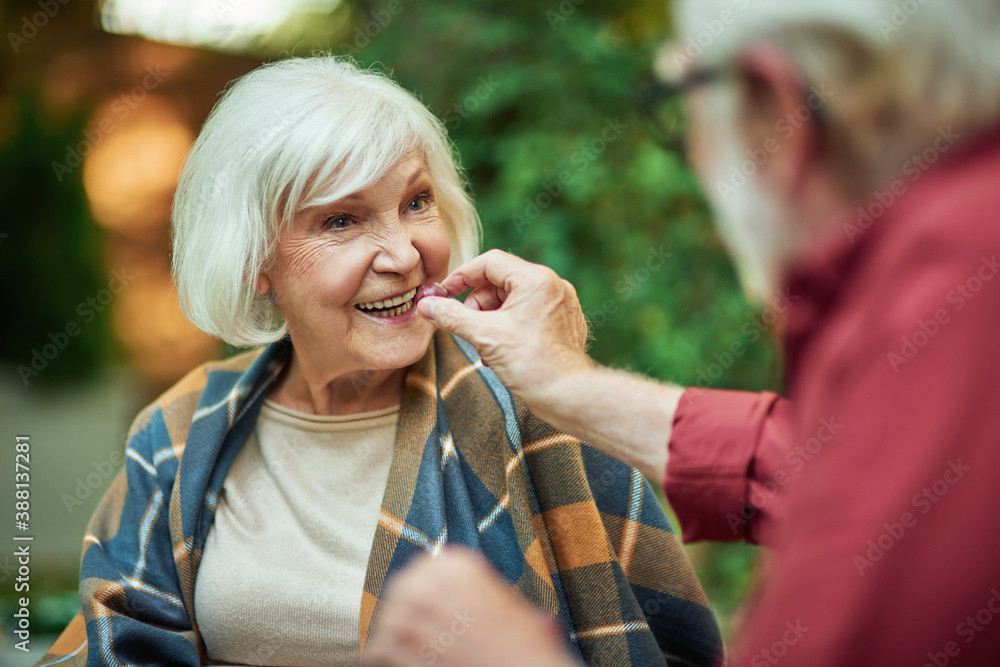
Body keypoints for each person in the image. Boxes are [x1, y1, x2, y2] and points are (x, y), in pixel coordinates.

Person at [366, 1, 1000, 666]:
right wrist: (570, 385)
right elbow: (850, 467)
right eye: (339, 221)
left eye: (681, 98)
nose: (402, 256)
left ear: (773, 104)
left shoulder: (956, 300)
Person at [35, 57, 724, 667]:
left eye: (417, 202)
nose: (403, 255)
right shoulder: (180, 433)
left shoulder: (536, 407)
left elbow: (673, 647)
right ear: (254, 261)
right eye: (341, 220)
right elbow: (112, 642)